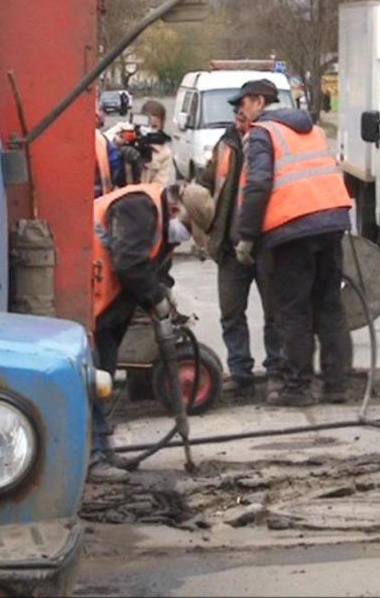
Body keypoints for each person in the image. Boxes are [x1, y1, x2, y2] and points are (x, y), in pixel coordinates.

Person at [231, 79, 353, 407]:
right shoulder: (312, 129)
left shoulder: (263, 133)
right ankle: (336, 385)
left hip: (293, 229)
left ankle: (297, 388)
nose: (241, 111)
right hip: (330, 222)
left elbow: (257, 185)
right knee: (329, 307)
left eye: (242, 103)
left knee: (293, 310)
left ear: (258, 101)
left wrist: (247, 237)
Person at [87, 181, 192, 482]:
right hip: (85, 297)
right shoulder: (139, 206)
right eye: (188, 227)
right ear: (175, 209)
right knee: (90, 383)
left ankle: (103, 451)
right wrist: (155, 297)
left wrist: (163, 292)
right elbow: (130, 263)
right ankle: (91, 460)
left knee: (102, 378)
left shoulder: (157, 219)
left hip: (104, 305)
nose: (186, 237)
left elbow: (151, 267)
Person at [196, 102, 283, 400]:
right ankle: (241, 374)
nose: (238, 113)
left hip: (267, 245)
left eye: (243, 107)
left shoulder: (271, 141)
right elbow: (208, 184)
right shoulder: (226, 144)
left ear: (260, 107)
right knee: (231, 314)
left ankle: (276, 372)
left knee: (275, 314)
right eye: (235, 109)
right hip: (230, 246)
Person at [139, 100, 175, 186]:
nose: (150, 130)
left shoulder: (165, 153)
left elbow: (160, 185)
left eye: (154, 127)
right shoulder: (130, 143)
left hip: (147, 196)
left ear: (162, 126)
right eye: (146, 125)